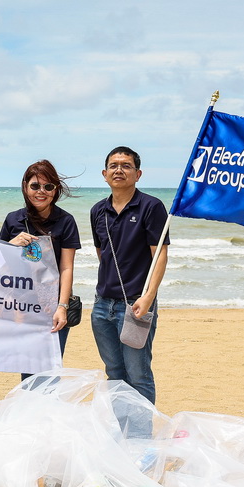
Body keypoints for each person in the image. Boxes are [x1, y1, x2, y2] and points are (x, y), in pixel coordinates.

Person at [90, 146, 169, 407]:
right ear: (104, 174)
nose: (119, 170)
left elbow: (159, 256)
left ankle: (140, 439)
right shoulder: (97, 211)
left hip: (136, 304)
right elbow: (103, 254)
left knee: (138, 375)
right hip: (102, 305)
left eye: (126, 166)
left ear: (138, 173)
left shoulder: (151, 207)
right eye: (113, 166)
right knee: (114, 374)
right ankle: (121, 433)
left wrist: (148, 297)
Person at [0, 159, 81, 375]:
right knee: (27, 372)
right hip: (22, 307)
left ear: (56, 189)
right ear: (25, 187)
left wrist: (62, 307)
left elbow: (67, 268)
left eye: (48, 186)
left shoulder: (66, 221)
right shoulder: (13, 219)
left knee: (50, 370)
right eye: (35, 186)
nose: (41, 191)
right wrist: (11, 245)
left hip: (52, 308)